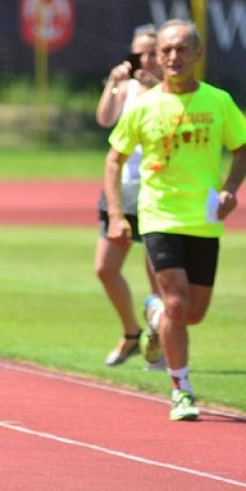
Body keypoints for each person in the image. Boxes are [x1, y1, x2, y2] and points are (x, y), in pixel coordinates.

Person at [103, 19, 246, 422]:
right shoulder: (144, 105)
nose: (173, 57)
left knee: (193, 312)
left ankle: (154, 315)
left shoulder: (218, 101)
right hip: (159, 216)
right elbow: (114, 159)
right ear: (158, 56)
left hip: (204, 218)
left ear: (197, 54)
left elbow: (243, 147)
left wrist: (231, 189)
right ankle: (181, 389)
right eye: (166, 50)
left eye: (182, 49)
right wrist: (116, 215)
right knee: (176, 301)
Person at [94, 25, 163, 369]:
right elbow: (105, 118)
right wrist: (113, 83)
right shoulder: (127, 87)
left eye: (153, 52)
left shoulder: (170, 93)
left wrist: (157, 87)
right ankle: (131, 332)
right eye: (140, 53)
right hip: (121, 188)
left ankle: (160, 343)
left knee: (157, 276)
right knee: (105, 268)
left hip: (157, 191)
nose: (146, 59)